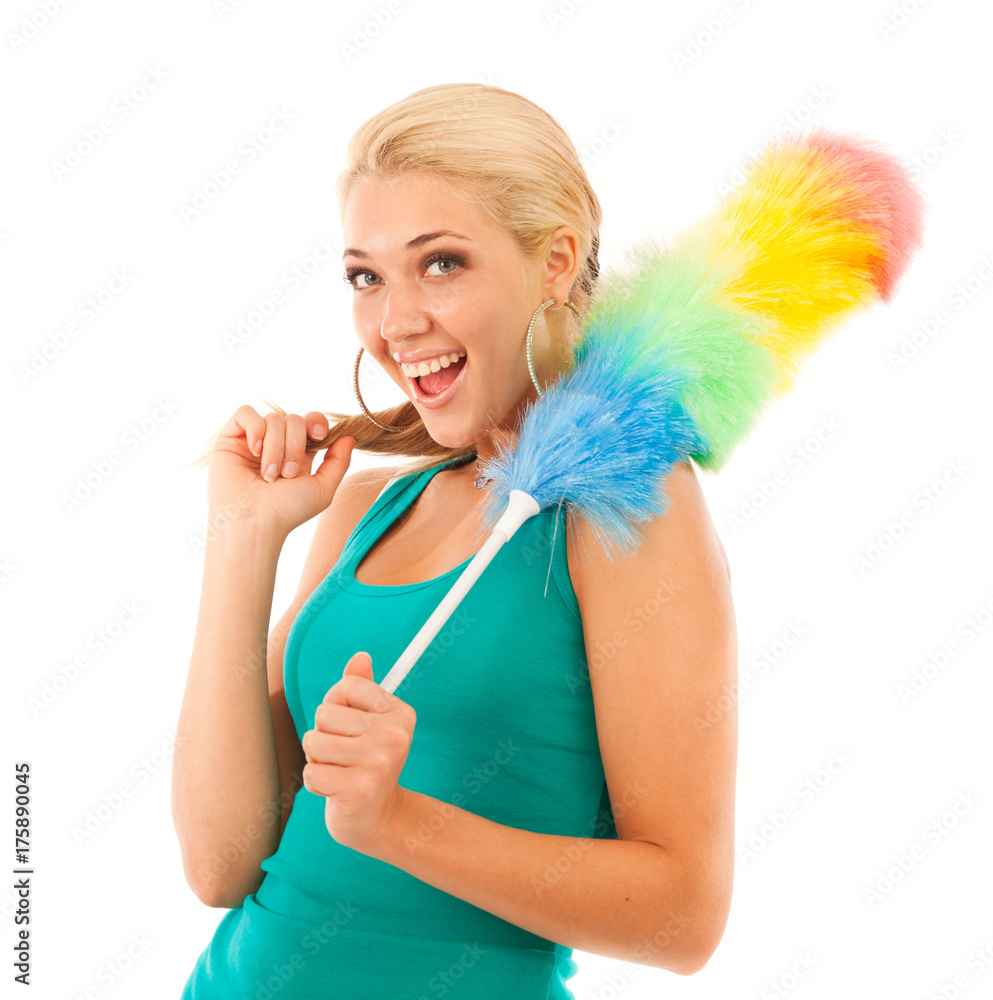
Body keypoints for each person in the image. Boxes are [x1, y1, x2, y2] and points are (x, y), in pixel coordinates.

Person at [173, 82, 737, 998]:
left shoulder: (632, 506)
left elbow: (684, 916)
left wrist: (398, 823)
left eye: (440, 264)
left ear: (556, 261)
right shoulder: (364, 511)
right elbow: (219, 864)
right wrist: (242, 543)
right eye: (367, 276)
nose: (396, 324)